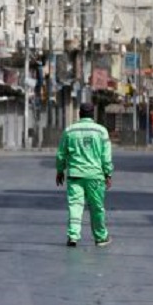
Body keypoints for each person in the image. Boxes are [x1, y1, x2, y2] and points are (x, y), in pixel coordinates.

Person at [55, 102, 114, 248]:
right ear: (92, 115)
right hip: (95, 176)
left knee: (75, 206)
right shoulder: (101, 131)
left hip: (75, 176)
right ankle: (101, 238)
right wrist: (108, 174)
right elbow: (106, 157)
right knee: (97, 208)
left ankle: (73, 236)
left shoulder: (69, 131)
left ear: (79, 114)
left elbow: (61, 154)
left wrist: (60, 170)